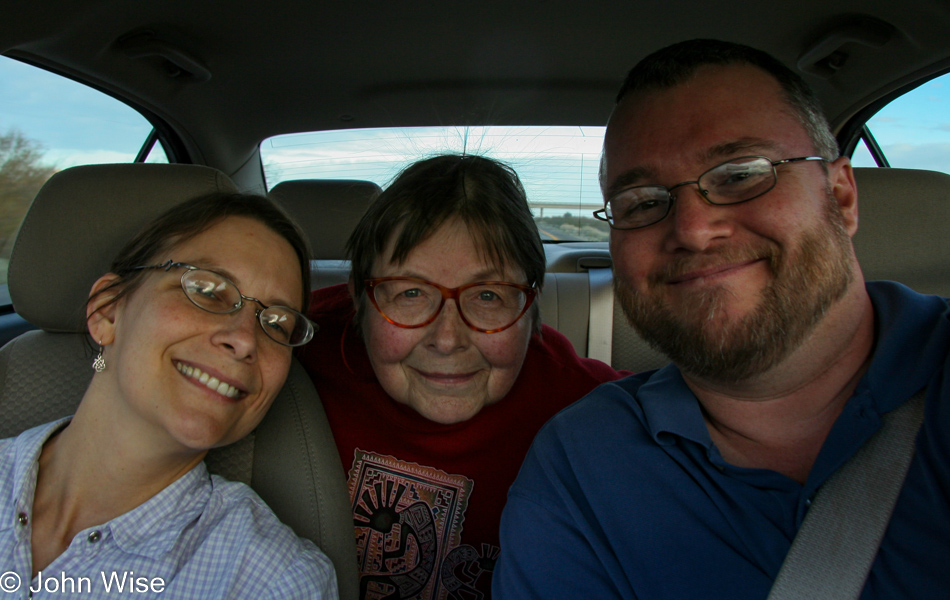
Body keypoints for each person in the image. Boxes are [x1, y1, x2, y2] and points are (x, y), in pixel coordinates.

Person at [494, 39, 950, 599]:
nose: (692, 228)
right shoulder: (580, 467)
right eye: (641, 201)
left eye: (739, 174)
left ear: (841, 196)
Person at [296, 154, 626, 600]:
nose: (447, 339)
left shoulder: (591, 409)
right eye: (410, 293)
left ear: (530, 307)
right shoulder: (290, 352)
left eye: (488, 295)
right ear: (358, 298)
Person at [0, 193, 337, 598]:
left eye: (277, 326)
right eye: (208, 291)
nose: (246, 340)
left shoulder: (272, 579)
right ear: (107, 312)